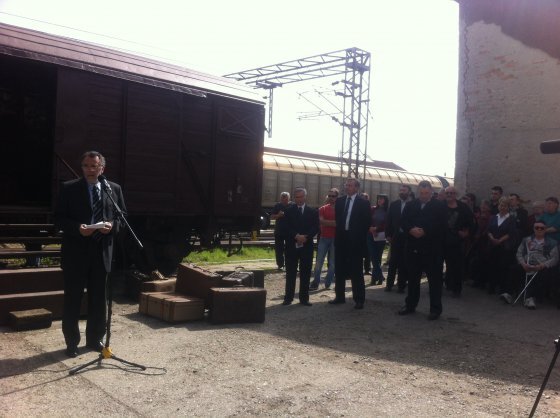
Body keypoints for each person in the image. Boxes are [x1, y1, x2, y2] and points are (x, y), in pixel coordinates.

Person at [55, 151, 126, 358]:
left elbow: (122, 217)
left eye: (94, 166)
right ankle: (71, 343)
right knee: (73, 299)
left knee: (98, 300)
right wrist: (78, 228)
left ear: (102, 168)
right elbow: (59, 219)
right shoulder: (69, 188)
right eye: (86, 166)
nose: (89, 170)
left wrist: (111, 226)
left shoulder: (113, 189)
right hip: (75, 253)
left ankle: (95, 339)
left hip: (101, 253)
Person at [398, 180, 446, 320]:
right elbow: (403, 221)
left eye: (426, 193)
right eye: (421, 193)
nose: (424, 196)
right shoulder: (411, 205)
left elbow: (442, 225)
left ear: (431, 192)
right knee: (413, 279)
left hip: (432, 249)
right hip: (413, 248)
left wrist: (425, 231)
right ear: (418, 192)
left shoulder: (439, 206)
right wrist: (410, 230)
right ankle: (410, 305)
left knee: (434, 281)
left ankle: (435, 309)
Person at [329, 178, 371, 309]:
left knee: (356, 271)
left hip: (355, 241)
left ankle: (359, 299)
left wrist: (357, 237)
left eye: (350, 185)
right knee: (339, 269)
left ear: (357, 188)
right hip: (341, 239)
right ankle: (340, 296)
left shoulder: (363, 203)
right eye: (346, 185)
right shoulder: (340, 201)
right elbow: (338, 219)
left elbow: (366, 223)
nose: (347, 187)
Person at [500, 220, 559, 310]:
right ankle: (509, 294)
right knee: (514, 269)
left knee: (540, 275)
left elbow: (555, 259)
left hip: (541, 266)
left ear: (545, 229)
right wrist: (523, 264)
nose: (539, 229)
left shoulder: (552, 243)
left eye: (542, 228)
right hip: (526, 263)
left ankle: (530, 298)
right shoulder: (526, 240)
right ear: (533, 229)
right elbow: (519, 253)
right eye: (537, 227)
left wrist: (542, 265)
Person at [282, 187, 319, 306]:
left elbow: (316, 227)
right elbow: (285, 227)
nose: (299, 199)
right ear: (294, 198)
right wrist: (296, 236)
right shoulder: (288, 211)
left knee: (306, 272)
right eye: (297, 197)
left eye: (301, 197)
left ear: (305, 197)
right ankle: (288, 298)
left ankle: (304, 298)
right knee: (290, 272)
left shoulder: (312, 211)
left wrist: (306, 237)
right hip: (291, 246)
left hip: (307, 246)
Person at [443, 186, 474, 297]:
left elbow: (471, 223)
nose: (449, 195)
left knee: (456, 266)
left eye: (451, 193)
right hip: (442, 241)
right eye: (447, 193)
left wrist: (467, 233)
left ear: (455, 195)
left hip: (456, 242)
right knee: (440, 265)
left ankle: (456, 289)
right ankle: (444, 285)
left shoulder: (463, 208)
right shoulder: (440, 206)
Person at [485, 197, 518, 294]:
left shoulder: (511, 219)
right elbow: (488, 230)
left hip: (504, 247)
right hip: (492, 246)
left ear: (508, 207)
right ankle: (491, 287)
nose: (502, 207)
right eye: (501, 205)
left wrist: (499, 240)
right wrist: (492, 238)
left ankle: (502, 289)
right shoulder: (493, 217)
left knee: (503, 268)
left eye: (505, 206)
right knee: (492, 266)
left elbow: (511, 233)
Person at [385, 185, 413, 292]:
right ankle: (389, 284)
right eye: (400, 190)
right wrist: (388, 234)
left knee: (404, 263)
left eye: (404, 190)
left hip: (408, 237)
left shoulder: (413, 205)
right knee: (393, 262)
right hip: (395, 237)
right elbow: (389, 220)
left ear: (409, 192)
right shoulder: (394, 204)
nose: (402, 192)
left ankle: (401, 285)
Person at [310, 188, 338, 290]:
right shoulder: (322, 208)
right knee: (319, 262)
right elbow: (321, 221)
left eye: (333, 196)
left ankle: (328, 283)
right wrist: (333, 223)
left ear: (337, 197)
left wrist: (327, 222)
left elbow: (338, 223)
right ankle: (316, 282)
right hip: (324, 237)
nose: (331, 198)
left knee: (332, 263)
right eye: (329, 196)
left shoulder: (340, 209)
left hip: (335, 238)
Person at [367, 194, 388, 286]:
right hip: (370, 235)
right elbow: (367, 220)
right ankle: (380, 276)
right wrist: (371, 229)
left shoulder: (387, 211)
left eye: (382, 199)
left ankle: (375, 279)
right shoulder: (372, 209)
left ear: (385, 200)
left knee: (378, 257)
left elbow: (386, 223)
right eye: (378, 199)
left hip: (381, 236)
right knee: (373, 256)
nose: (380, 200)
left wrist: (377, 229)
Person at [271, 192, 292, 270]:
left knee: (289, 249)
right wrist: (278, 215)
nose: (284, 201)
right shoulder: (277, 205)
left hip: (290, 232)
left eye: (286, 199)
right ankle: (280, 265)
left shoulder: (292, 205)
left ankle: (289, 264)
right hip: (279, 231)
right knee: (279, 249)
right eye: (282, 199)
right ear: (280, 199)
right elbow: (272, 217)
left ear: (289, 199)